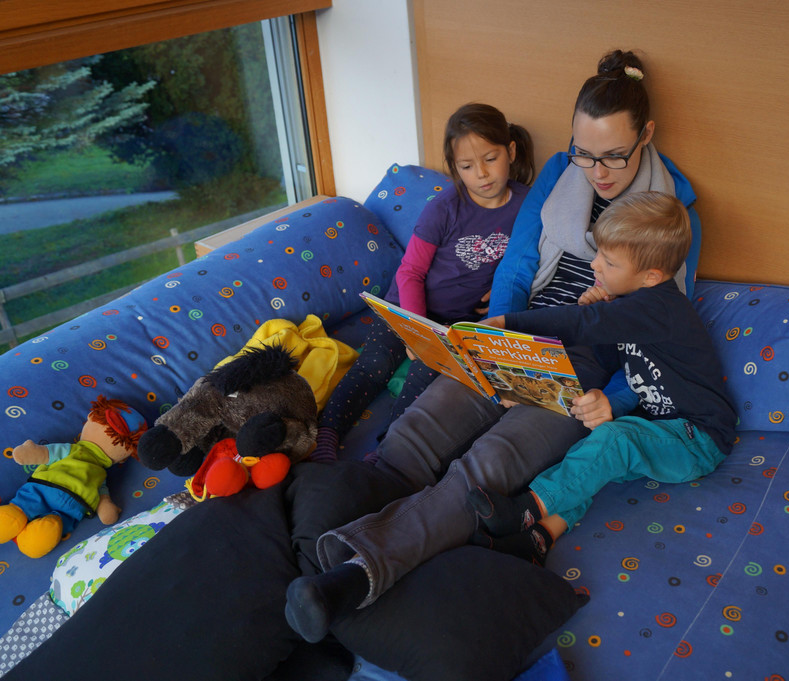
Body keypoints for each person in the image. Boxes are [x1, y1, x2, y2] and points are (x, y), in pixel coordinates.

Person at [283, 49, 709, 644]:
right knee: (413, 436)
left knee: (486, 470)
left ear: (647, 135)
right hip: (520, 333)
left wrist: (610, 400)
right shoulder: (558, 176)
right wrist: (497, 340)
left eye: (614, 154)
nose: (598, 171)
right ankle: (303, 548)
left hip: (585, 364)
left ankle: (355, 576)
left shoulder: (674, 215)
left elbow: (658, 334)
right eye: (585, 153)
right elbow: (517, 264)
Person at [468, 192, 736, 563]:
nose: (594, 264)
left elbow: (582, 324)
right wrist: (603, 320)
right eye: (599, 254)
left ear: (651, 276)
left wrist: (509, 323)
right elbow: (614, 356)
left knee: (614, 440)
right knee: (591, 459)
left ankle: (525, 510)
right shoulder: (635, 308)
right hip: (663, 429)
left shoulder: (661, 307)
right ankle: (540, 538)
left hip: (699, 438)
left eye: (608, 261)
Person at [309, 103, 534, 462]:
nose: (481, 174)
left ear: (511, 151)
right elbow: (410, 272)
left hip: (455, 324)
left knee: (422, 386)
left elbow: (535, 257)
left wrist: (505, 284)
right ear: (455, 168)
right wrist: (416, 331)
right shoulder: (444, 208)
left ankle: (386, 454)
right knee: (373, 366)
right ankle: (326, 434)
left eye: (491, 159)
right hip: (405, 307)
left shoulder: (527, 205)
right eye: (467, 166)